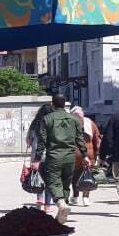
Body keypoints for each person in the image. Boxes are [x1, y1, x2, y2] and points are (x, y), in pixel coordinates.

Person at [32, 94, 88, 223]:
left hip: (54, 156)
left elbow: (42, 141)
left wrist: (37, 159)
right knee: (65, 184)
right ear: (64, 104)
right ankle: (62, 212)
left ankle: (61, 204)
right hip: (70, 157)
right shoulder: (74, 119)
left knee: (52, 182)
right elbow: (80, 139)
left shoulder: (47, 119)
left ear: (53, 104)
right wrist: (85, 156)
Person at [69, 106, 101, 207]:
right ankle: (86, 198)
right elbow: (97, 139)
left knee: (76, 176)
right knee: (87, 174)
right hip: (89, 153)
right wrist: (97, 152)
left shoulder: (69, 123)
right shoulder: (90, 123)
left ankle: (75, 197)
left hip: (74, 153)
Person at [27, 103, 55, 213]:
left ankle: (40, 199)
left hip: (36, 157)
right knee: (49, 181)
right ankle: (47, 206)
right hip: (50, 156)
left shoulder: (34, 124)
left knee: (38, 179)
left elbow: (28, 140)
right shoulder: (52, 123)